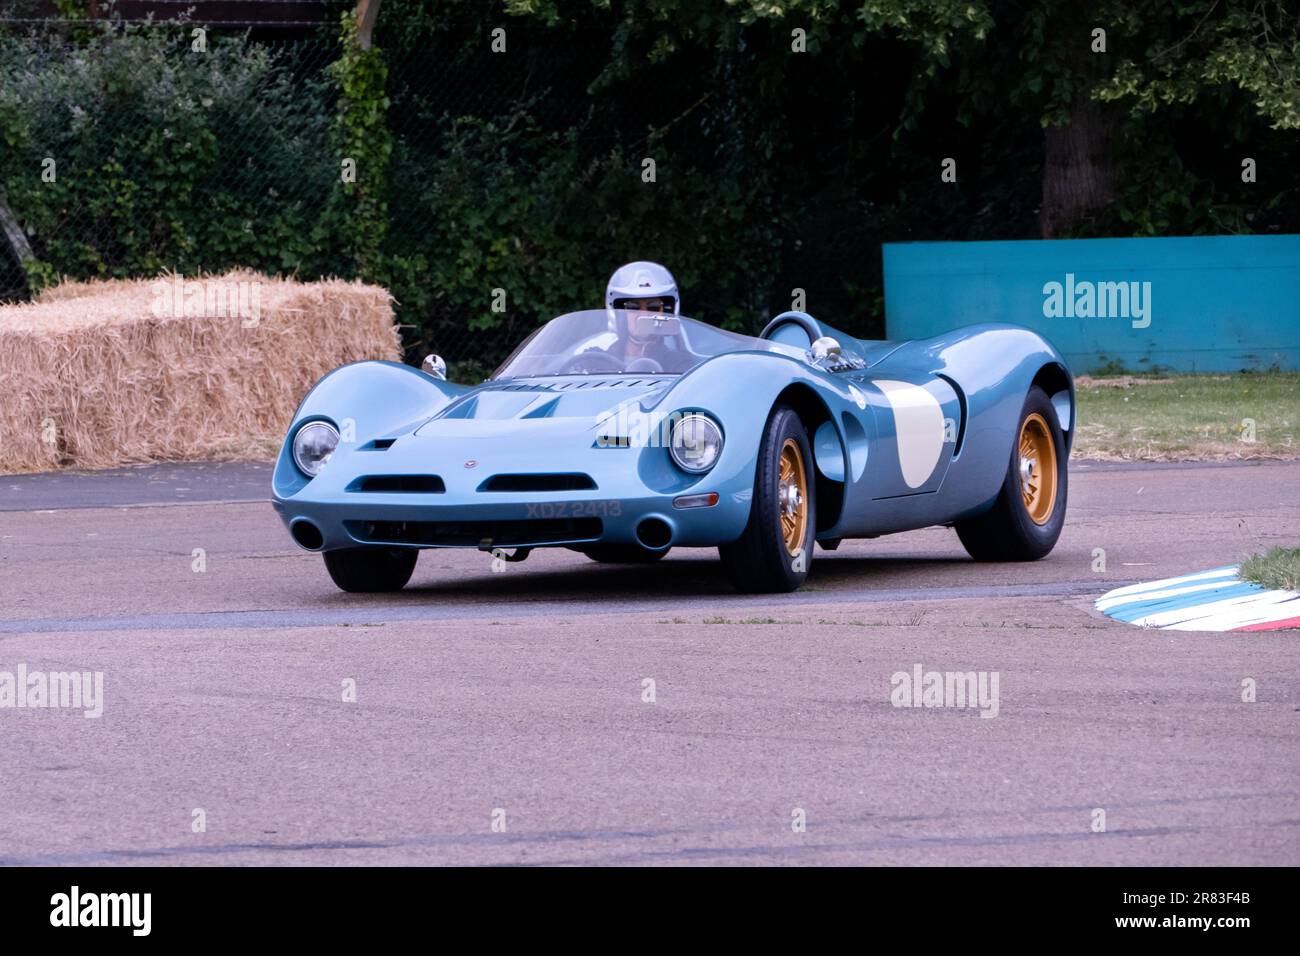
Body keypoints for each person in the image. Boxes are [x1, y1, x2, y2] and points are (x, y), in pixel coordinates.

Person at [601, 261, 685, 371]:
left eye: (653, 306)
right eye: (633, 307)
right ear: (619, 314)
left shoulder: (680, 364)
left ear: (666, 312)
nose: (644, 314)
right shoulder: (597, 360)